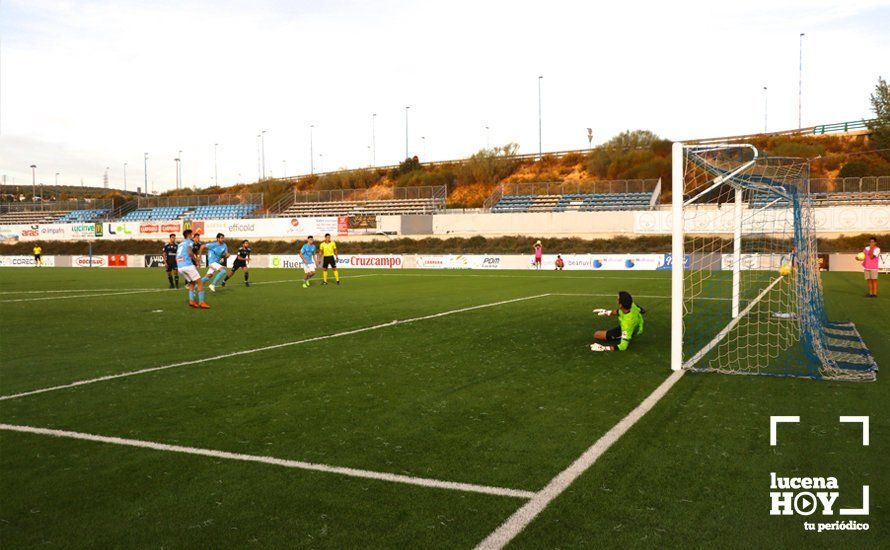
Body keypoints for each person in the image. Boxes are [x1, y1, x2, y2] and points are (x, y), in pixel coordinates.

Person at [176, 229, 210, 309]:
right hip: (187, 265)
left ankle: (191, 301)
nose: (192, 236)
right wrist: (196, 260)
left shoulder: (180, 244)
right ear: (189, 235)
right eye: (191, 235)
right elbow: (190, 252)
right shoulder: (189, 242)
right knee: (200, 282)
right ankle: (201, 302)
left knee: (192, 283)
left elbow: (176, 256)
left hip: (180, 267)